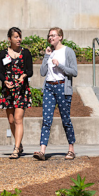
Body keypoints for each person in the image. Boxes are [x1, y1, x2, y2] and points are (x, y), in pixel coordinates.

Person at [33, 27, 78, 161]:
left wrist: (60, 66)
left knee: (66, 120)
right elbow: (42, 72)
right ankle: (42, 151)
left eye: (53, 35)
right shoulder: (49, 52)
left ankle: (71, 149)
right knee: (46, 120)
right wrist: (46, 56)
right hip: (48, 87)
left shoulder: (68, 51)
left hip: (62, 87)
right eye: (49, 36)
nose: (51, 38)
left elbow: (74, 72)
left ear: (60, 37)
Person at [0, 27, 33, 159]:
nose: (19, 39)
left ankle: (16, 148)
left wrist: (23, 76)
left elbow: (30, 71)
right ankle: (20, 144)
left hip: (21, 90)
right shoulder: (3, 53)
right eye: (16, 37)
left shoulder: (26, 53)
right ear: (9, 39)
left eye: (20, 37)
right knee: (11, 120)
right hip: (8, 90)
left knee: (18, 119)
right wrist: (5, 81)